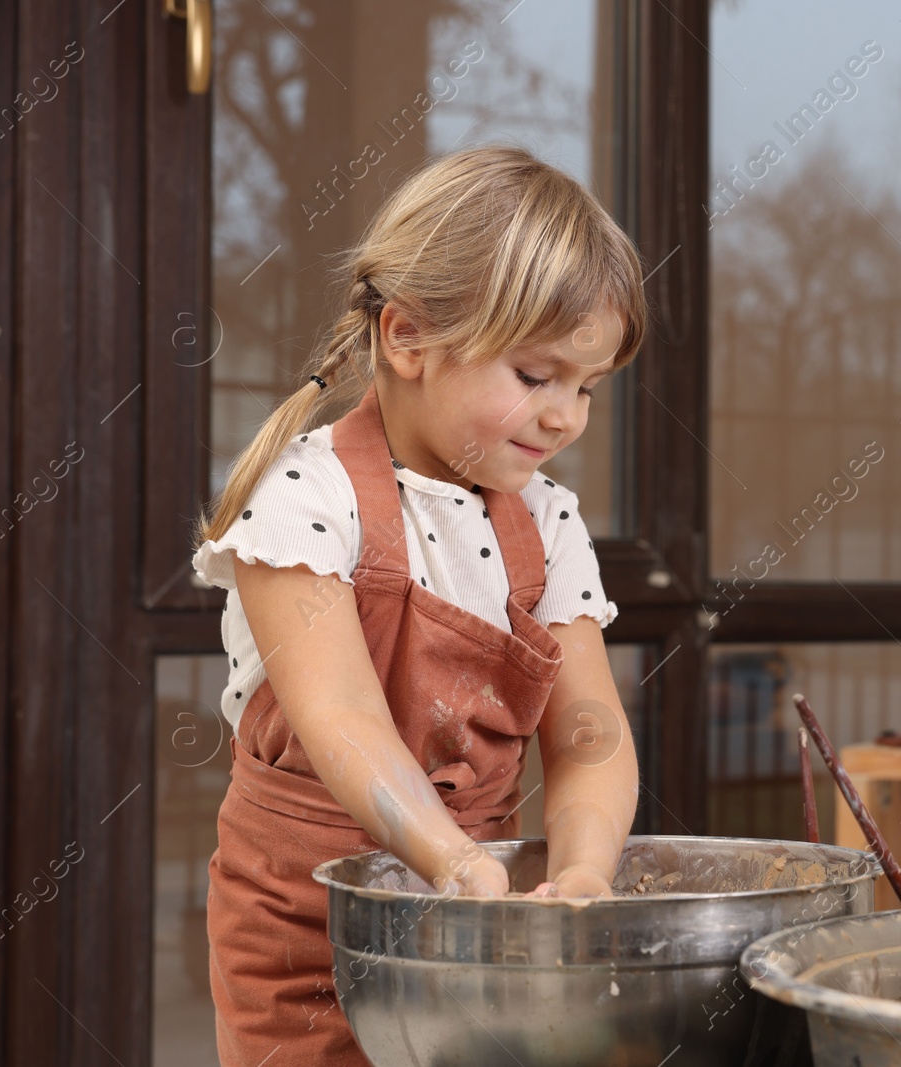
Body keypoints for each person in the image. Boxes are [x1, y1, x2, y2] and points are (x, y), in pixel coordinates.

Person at [189, 144, 647, 1065]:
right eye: (535, 375)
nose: (567, 417)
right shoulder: (307, 501)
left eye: (587, 388)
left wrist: (584, 869)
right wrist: (455, 862)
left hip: (479, 934)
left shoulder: (549, 525)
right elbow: (344, 716)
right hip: (305, 935)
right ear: (407, 340)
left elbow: (590, 731)